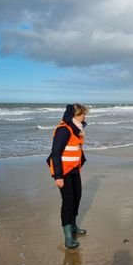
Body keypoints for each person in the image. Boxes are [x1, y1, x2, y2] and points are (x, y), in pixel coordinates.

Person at [47, 103, 89, 249]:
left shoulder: (77, 129)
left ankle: (73, 226)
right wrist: (57, 176)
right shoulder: (63, 130)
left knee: (77, 198)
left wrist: (80, 161)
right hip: (63, 172)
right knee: (68, 202)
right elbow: (56, 153)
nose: (85, 116)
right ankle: (68, 238)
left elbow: (75, 147)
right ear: (75, 115)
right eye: (83, 114)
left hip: (74, 170)